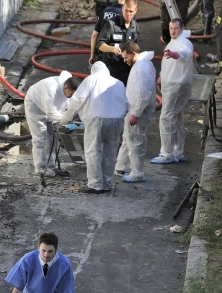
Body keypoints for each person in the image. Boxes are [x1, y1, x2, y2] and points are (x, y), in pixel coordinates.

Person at [60, 61, 128, 194]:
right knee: (110, 153)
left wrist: (67, 117)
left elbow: (78, 99)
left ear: (94, 70)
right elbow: (126, 103)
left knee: (93, 152)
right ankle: (107, 183)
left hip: (96, 120)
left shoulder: (91, 79)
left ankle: (96, 184)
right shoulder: (118, 83)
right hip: (117, 120)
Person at [151, 19, 194, 165]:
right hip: (170, 83)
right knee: (176, 117)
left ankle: (167, 153)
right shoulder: (172, 42)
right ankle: (177, 152)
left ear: (182, 28)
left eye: (175, 28)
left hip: (177, 85)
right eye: (171, 28)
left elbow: (184, 54)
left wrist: (173, 54)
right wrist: (161, 78)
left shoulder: (184, 43)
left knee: (166, 117)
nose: (173, 31)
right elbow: (167, 62)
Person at [114, 42, 157, 183]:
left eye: (126, 57)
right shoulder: (141, 65)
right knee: (128, 139)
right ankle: (120, 166)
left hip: (138, 112)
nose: (124, 60)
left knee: (135, 142)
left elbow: (143, 94)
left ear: (133, 53)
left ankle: (137, 173)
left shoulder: (142, 69)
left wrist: (135, 113)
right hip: (133, 109)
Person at [24, 73, 81, 177]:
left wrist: (65, 120)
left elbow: (64, 108)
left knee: (52, 137)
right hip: (35, 104)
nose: (72, 96)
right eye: (71, 94)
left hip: (52, 109)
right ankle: (40, 168)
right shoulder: (51, 87)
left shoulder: (68, 90)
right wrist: (66, 122)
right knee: (40, 137)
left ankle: (51, 165)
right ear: (65, 87)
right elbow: (50, 111)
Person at [96, 0, 139, 85]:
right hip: (112, 70)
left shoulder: (135, 27)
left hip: (127, 70)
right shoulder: (111, 24)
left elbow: (135, 48)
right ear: (122, 8)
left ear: (135, 11)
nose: (128, 14)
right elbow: (99, 44)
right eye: (126, 10)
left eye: (131, 11)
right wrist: (113, 49)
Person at [89, 0, 133, 66]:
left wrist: (92, 55)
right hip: (121, 60)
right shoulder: (129, 15)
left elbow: (94, 35)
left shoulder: (105, 11)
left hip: (103, 58)